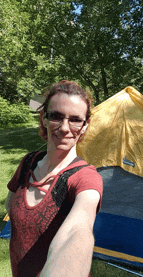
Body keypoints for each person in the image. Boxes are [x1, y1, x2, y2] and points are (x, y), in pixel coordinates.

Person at [5, 80, 103, 277]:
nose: (65, 128)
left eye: (75, 119)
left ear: (85, 125)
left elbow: (77, 231)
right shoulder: (28, 163)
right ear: (43, 118)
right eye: (56, 116)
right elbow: (10, 208)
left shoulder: (86, 178)